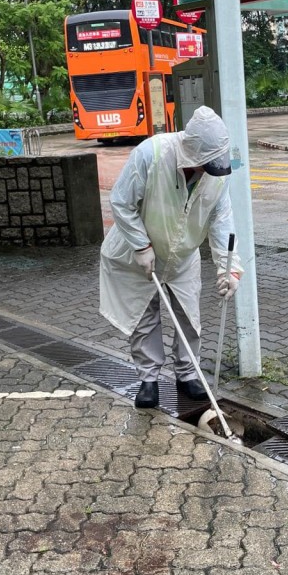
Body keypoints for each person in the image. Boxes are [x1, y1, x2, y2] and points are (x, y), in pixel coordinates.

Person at [99, 106, 243, 409]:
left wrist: (229, 269)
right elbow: (121, 202)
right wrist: (140, 245)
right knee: (144, 315)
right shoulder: (151, 154)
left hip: (182, 256)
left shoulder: (218, 173)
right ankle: (148, 379)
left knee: (188, 318)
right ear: (191, 153)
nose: (208, 170)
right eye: (205, 164)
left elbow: (221, 219)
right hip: (138, 255)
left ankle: (188, 375)